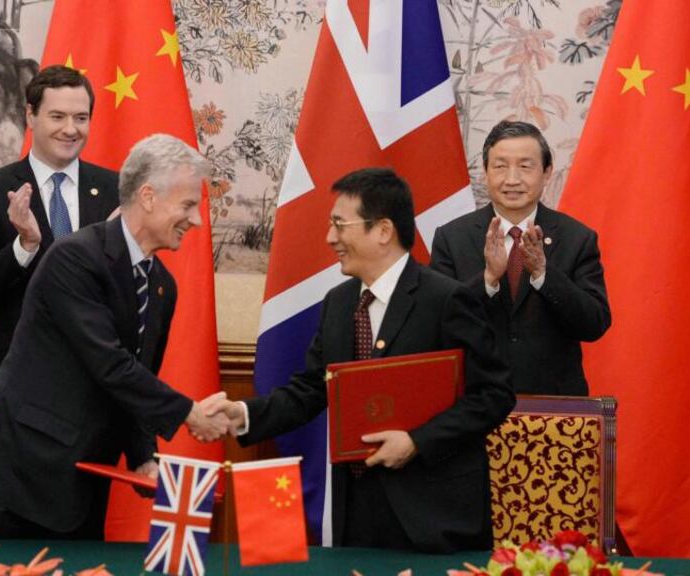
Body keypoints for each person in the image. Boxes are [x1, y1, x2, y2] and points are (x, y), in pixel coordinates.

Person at [212, 168, 513, 553]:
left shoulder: (447, 299)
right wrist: (245, 414)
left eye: (340, 224)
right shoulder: (338, 303)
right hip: (356, 509)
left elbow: (493, 395)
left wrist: (417, 442)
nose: (330, 238)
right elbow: (311, 388)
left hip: (433, 515)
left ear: (383, 230)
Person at [0, 134, 229, 539]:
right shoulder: (75, 258)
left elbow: (134, 375)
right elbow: (109, 363)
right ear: (148, 197)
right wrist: (189, 413)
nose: (197, 220)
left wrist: (144, 457)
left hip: (78, 486)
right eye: (188, 205)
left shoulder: (162, 285)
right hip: (13, 480)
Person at [0, 64, 120, 380]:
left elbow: (129, 296)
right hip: (15, 374)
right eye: (57, 116)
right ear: (31, 116)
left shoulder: (115, 190)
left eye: (81, 118)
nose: (70, 129)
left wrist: (120, 253)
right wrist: (24, 245)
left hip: (94, 376)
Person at [430, 120, 611, 396]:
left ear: (547, 172)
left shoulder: (577, 238)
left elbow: (594, 324)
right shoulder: (452, 238)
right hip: (473, 405)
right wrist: (488, 279)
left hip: (553, 409)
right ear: (485, 173)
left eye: (525, 166)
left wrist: (543, 274)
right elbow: (438, 326)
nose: (512, 179)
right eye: (500, 166)